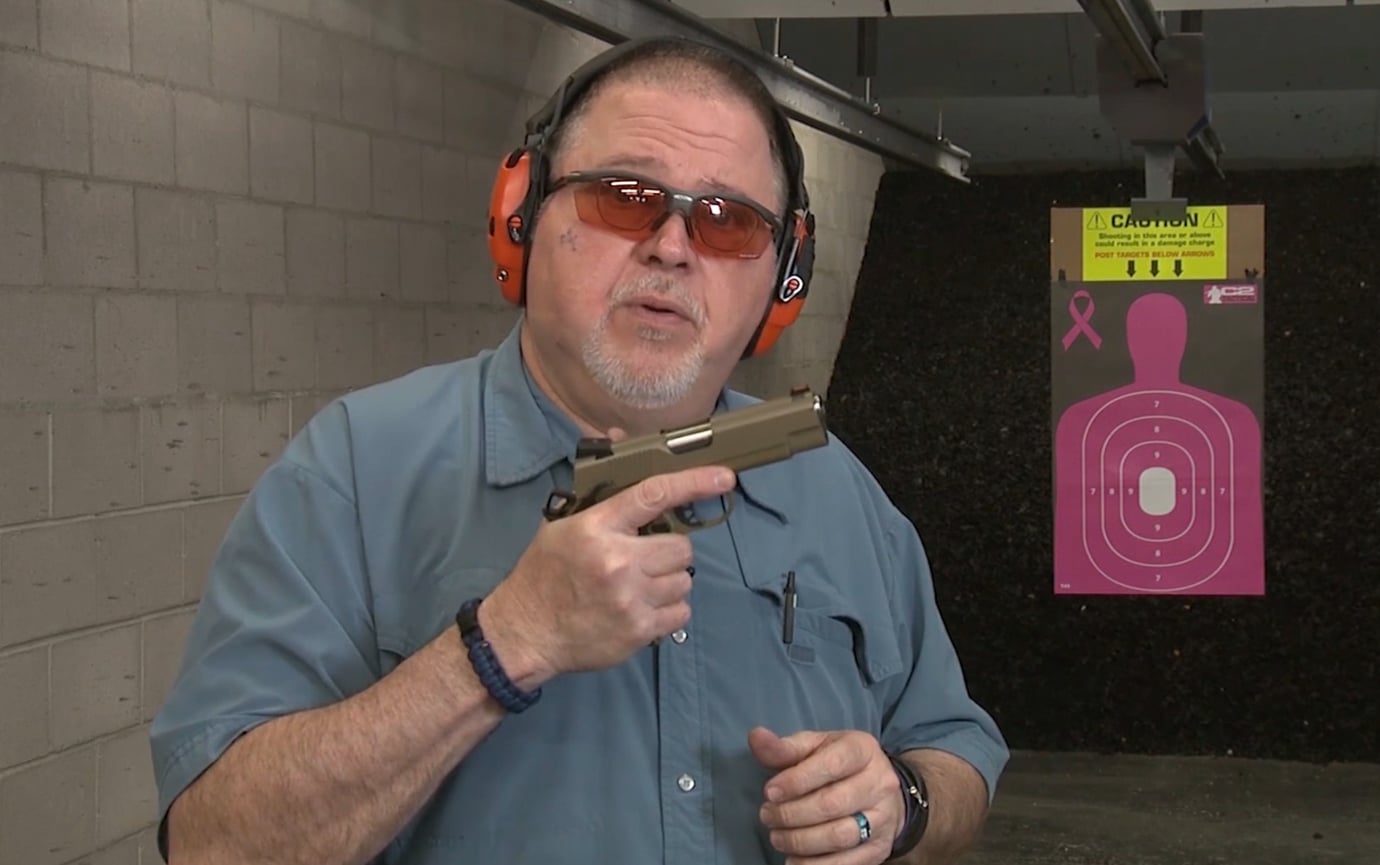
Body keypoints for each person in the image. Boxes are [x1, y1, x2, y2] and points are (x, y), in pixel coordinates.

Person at [148, 34, 1009, 865]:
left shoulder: (834, 491)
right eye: (623, 197)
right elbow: (216, 841)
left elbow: (956, 745)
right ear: (520, 218)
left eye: (727, 222)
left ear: (784, 278)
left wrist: (904, 800)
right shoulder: (356, 473)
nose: (671, 247)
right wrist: (502, 644)